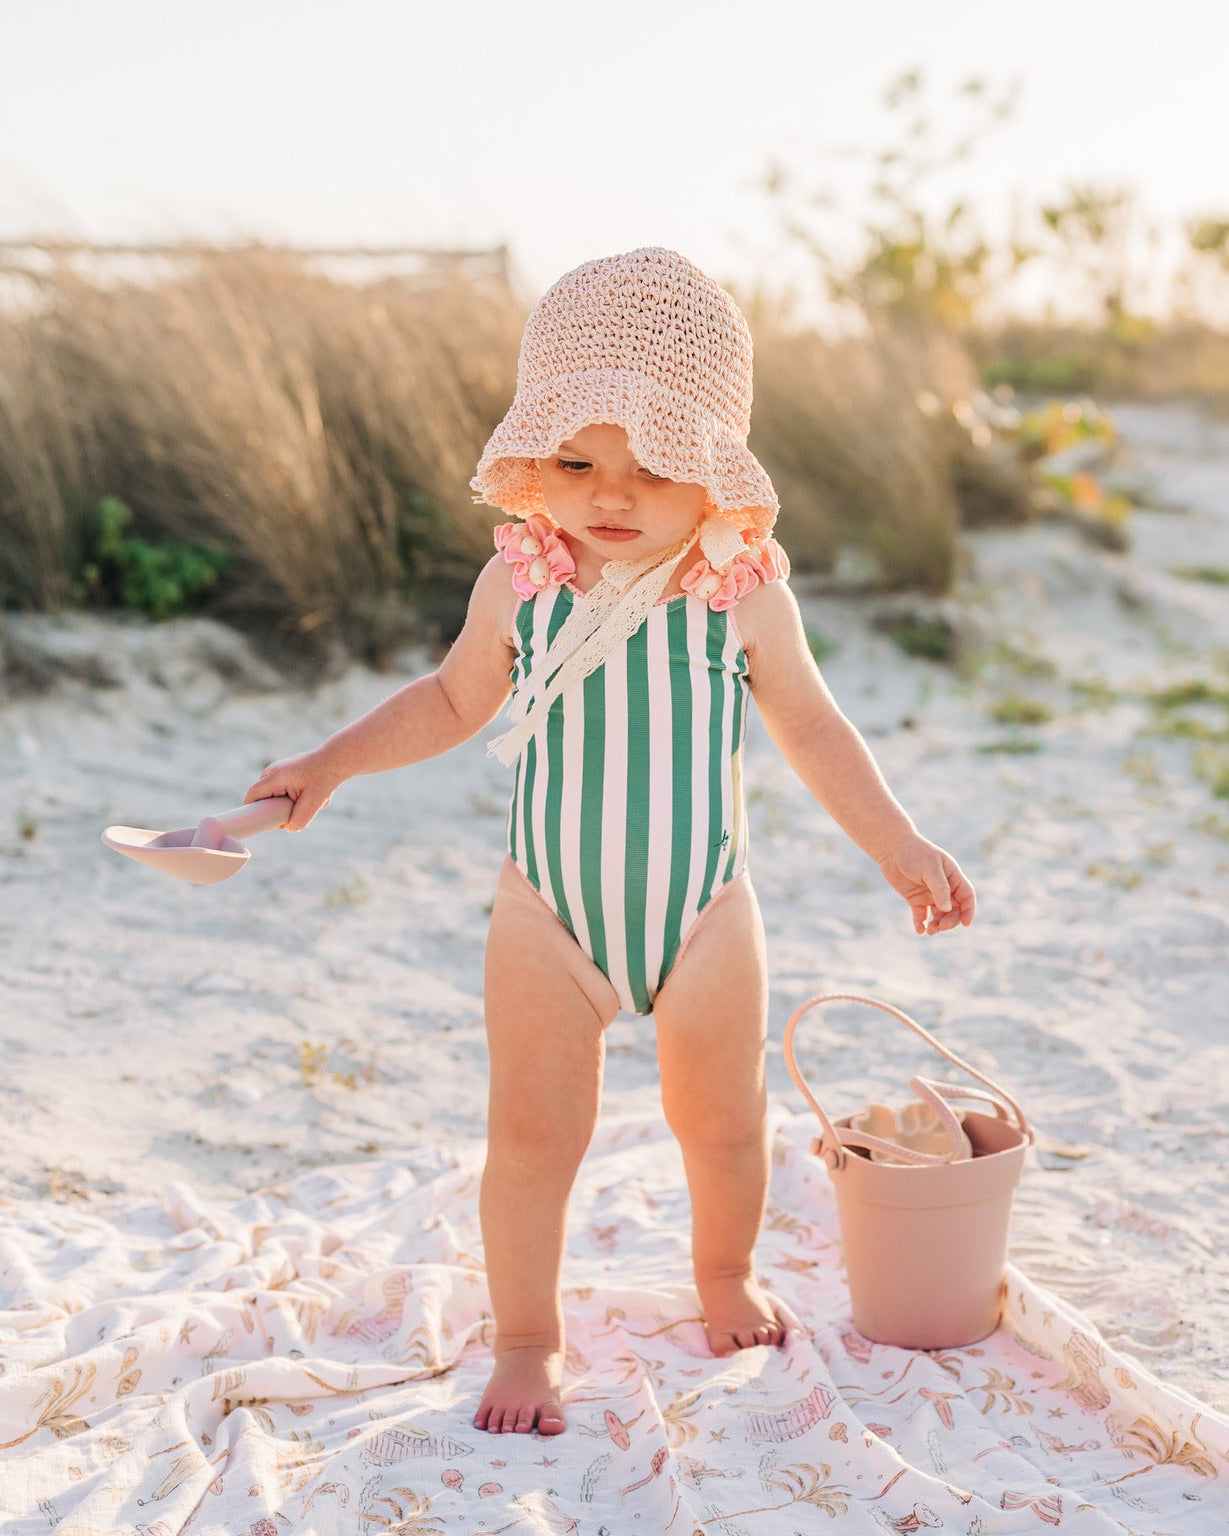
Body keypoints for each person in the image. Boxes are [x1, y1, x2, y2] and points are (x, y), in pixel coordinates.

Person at [243, 247, 976, 1438]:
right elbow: (444, 703)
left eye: (652, 465)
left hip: (703, 911)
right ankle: (527, 1339)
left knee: (723, 1122)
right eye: (577, 460)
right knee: (532, 1137)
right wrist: (327, 764)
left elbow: (808, 724)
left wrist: (897, 845)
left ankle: (720, 1273)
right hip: (548, 910)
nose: (610, 492)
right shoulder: (523, 582)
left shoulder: (736, 591)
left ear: (713, 472)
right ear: (536, 458)